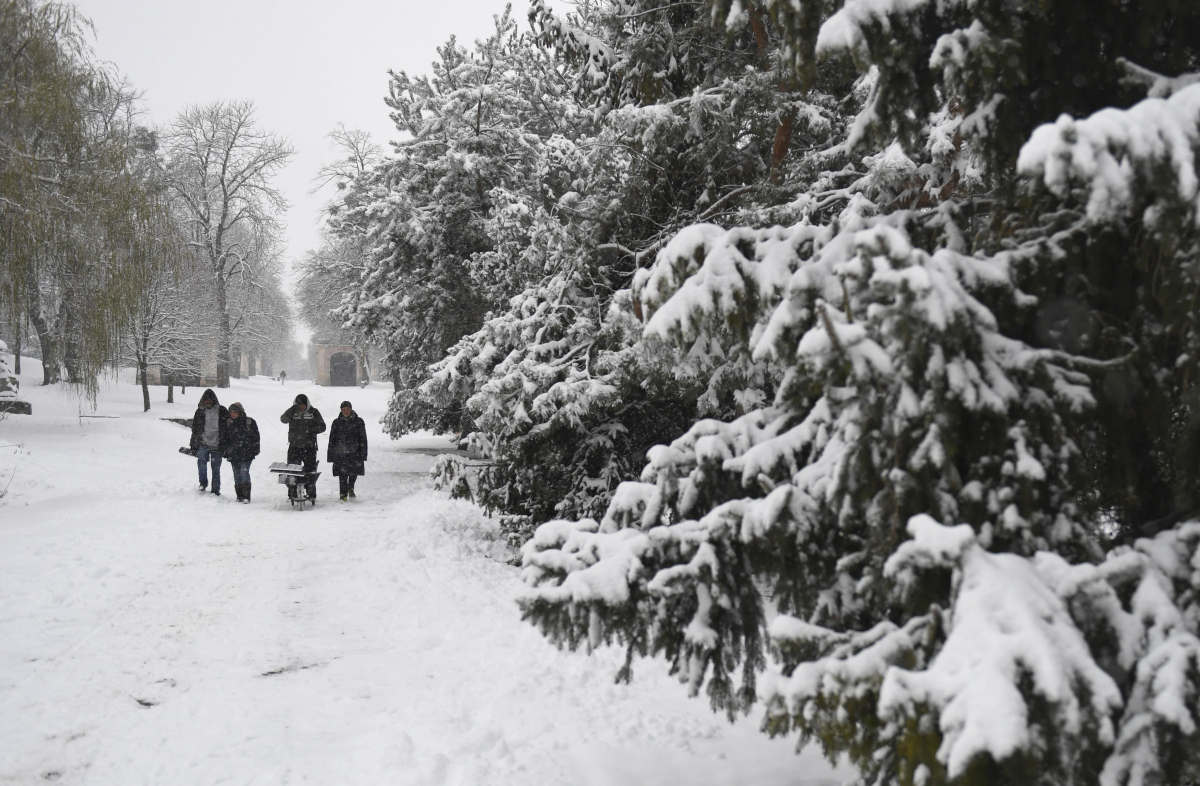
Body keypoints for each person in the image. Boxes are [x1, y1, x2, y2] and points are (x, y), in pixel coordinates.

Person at [280, 393, 325, 503]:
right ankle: (292, 492)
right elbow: (283, 419)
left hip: (309, 447)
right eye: (298, 405)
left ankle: (311, 493)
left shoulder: (314, 412)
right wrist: (292, 409)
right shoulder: (292, 412)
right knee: (293, 470)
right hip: (294, 446)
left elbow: (322, 426)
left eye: (303, 405)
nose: (301, 407)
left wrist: (311, 430)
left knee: (310, 472)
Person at [189, 389, 229, 496]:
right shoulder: (200, 412)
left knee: (215, 468)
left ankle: (216, 489)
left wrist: (226, 443)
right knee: (201, 464)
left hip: (217, 444)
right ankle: (203, 483)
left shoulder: (221, 410)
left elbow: (229, 426)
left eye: (209, 400)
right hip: (204, 442)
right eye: (206, 400)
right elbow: (195, 429)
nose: (207, 402)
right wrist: (193, 444)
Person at [327, 400, 368, 501]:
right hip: (340, 452)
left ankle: (351, 487)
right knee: (342, 474)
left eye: (347, 409)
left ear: (351, 409)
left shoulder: (359, 422)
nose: (346, 412)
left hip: (355, 452)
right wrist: (331, 453)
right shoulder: (336, 422)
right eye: (343, 410)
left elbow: (363, 438)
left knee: (353, 472)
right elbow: (332, 439)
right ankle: (343, 494)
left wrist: (363, 452)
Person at [225, 402, 261, 504]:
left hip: (247, 453)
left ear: (240, 412)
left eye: (235, 412)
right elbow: (225, 438)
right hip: (233, 453)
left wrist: (254, 449)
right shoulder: (228, 423)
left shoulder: (249, 422)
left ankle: (246, 496)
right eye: (231, 412)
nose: (233, 414)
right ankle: (239, 495)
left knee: (243, 472)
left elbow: (256, 437)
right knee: (236, 474)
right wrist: (226, 451)